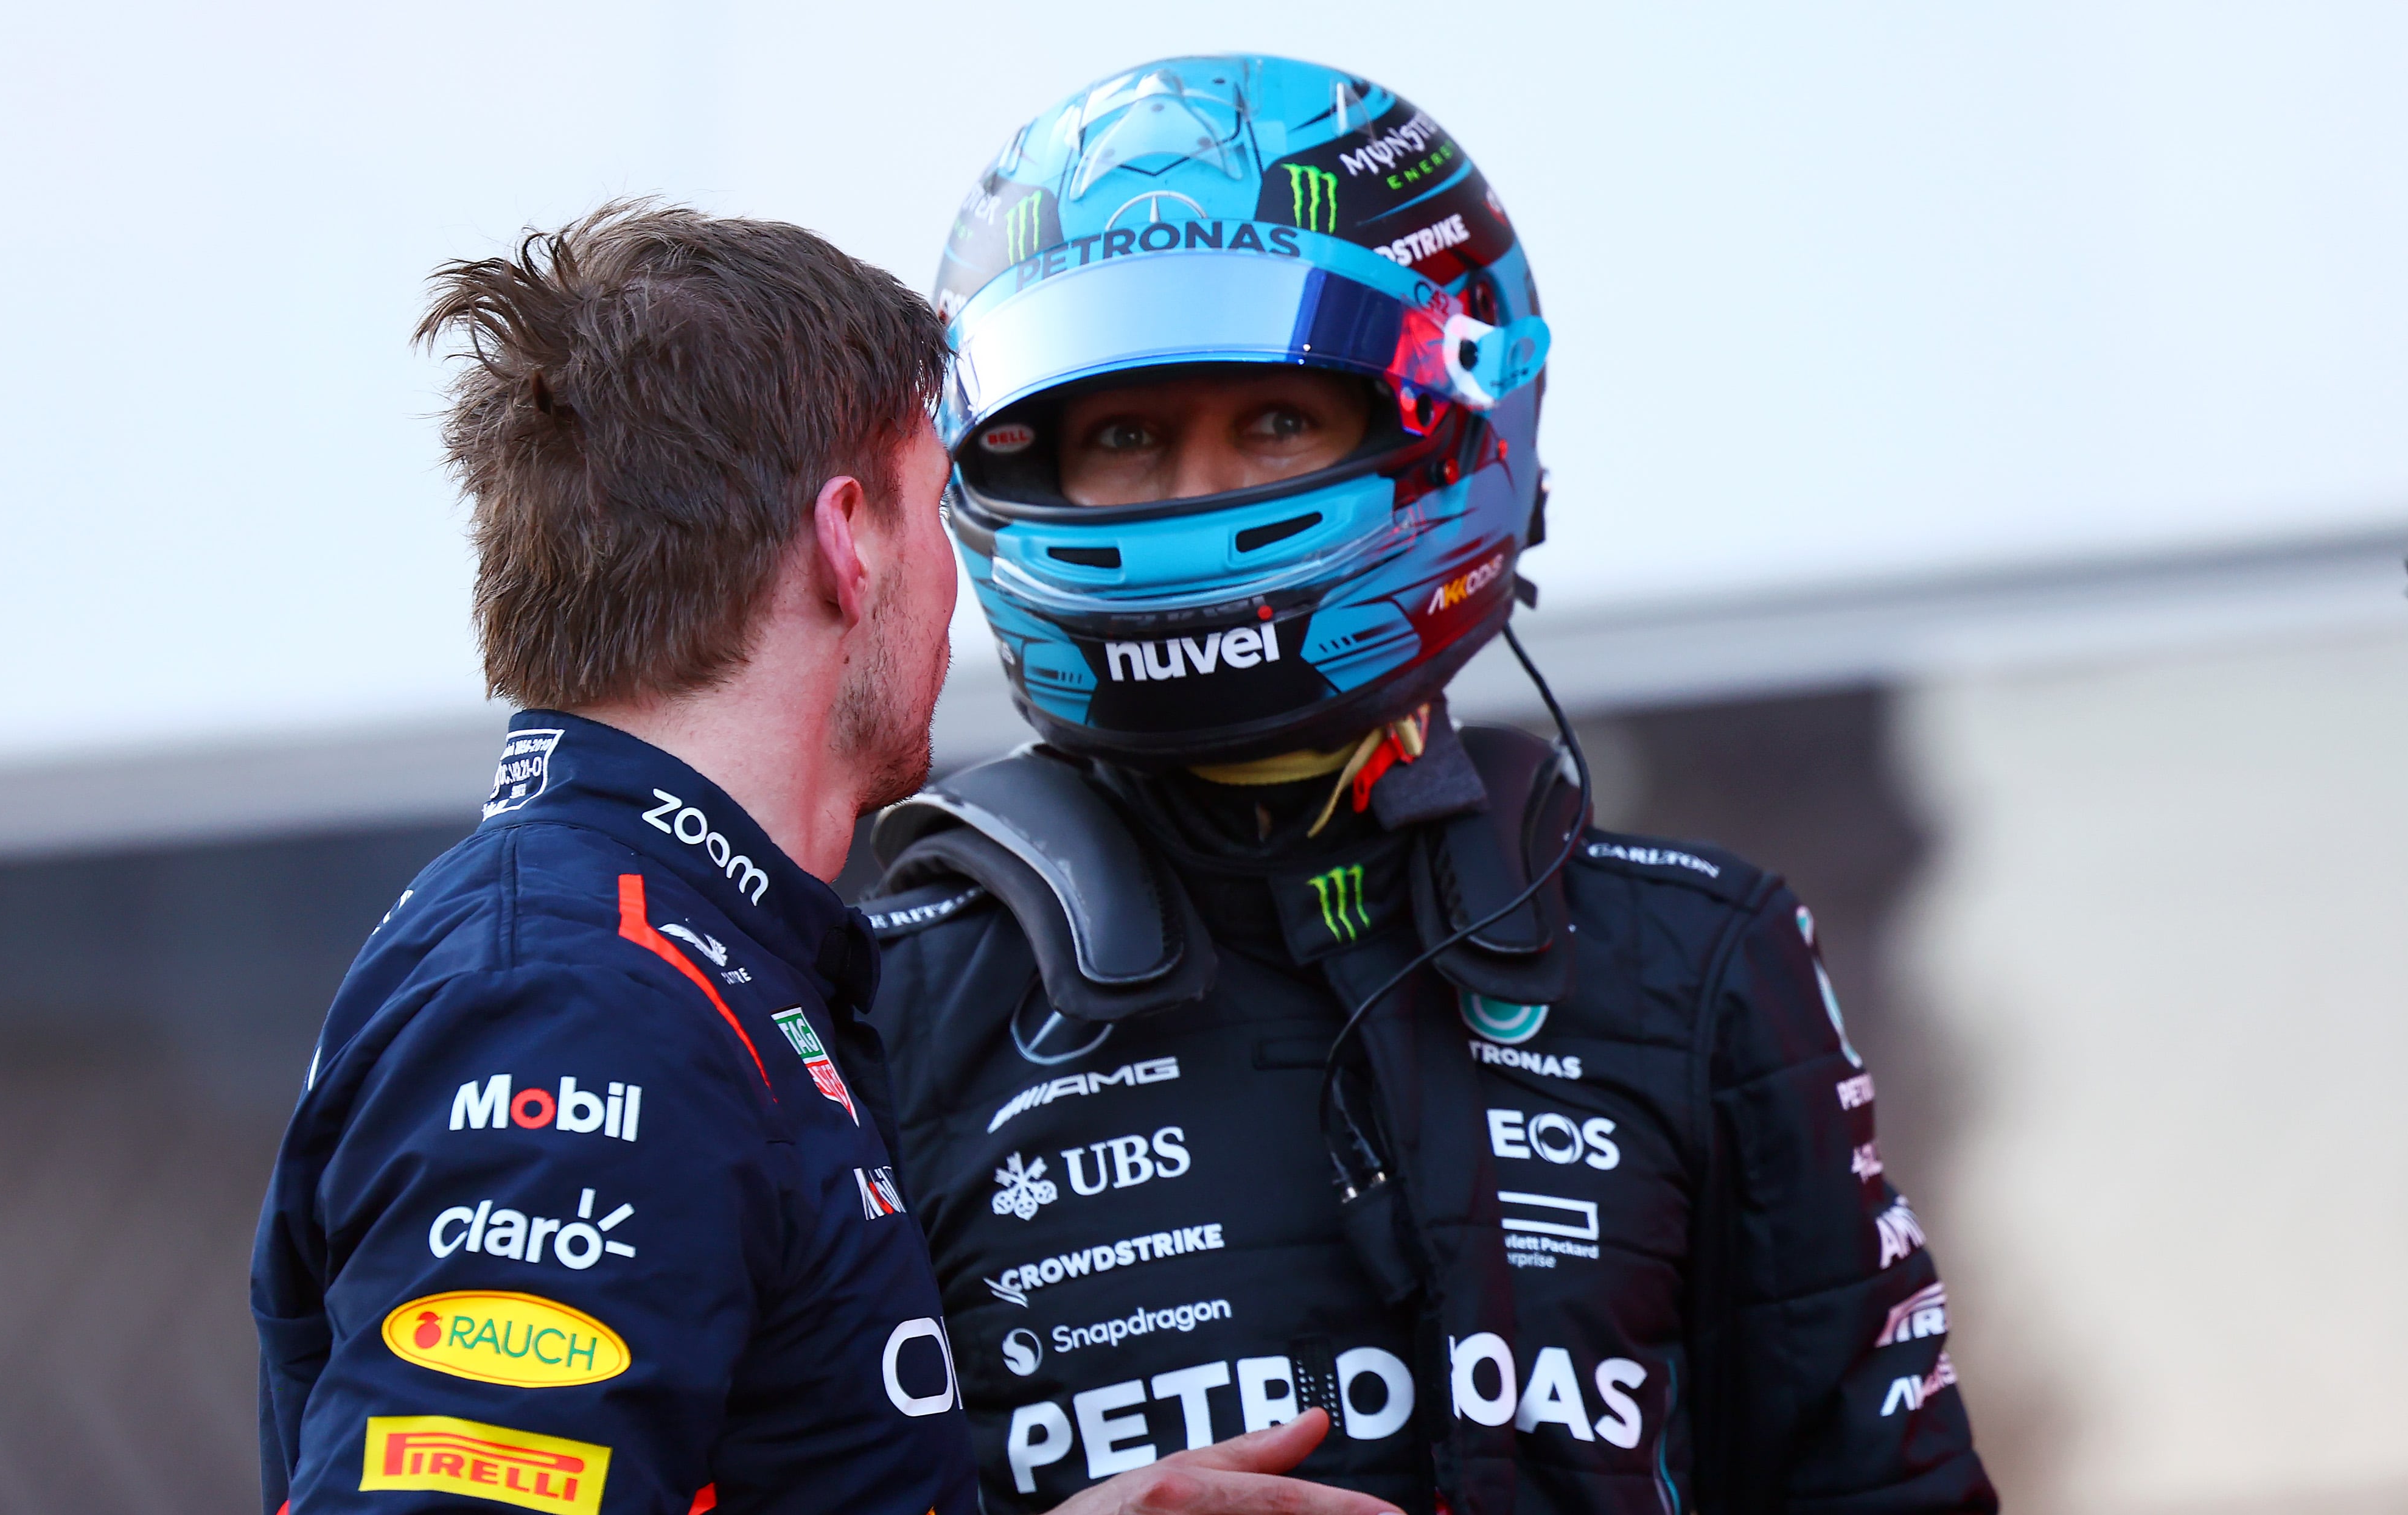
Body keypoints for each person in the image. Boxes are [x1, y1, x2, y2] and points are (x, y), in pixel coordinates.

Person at [858, 57, 2000, 1515]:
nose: (1197, 494)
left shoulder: (1694, 966)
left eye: (1273, 425)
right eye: (1127, 438)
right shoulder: (878, 1013)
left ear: (1449, 421)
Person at [250, 203, 1400, 1515]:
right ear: (848, 541)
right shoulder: (577, 1002)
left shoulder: (677, 957)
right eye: (936, 510)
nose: (961, 590)